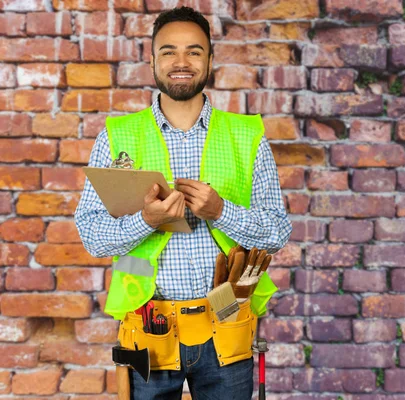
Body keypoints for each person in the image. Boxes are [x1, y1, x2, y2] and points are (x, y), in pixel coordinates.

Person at [74, 6, 291, 399]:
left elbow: (277, 231)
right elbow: (92, 236)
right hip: (147, 323)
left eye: (194, 51)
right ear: (153, 59)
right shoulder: (118, 137)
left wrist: (221, 212)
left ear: (210, 59)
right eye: (168, 51)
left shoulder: (247, 136)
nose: (181, 62)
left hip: (227, 318)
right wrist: (146, 220)